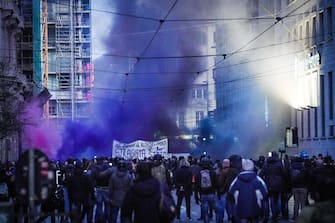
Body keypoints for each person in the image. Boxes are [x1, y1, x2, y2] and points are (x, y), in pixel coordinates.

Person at [229, 159, 268, 223]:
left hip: (241, 207)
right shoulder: (257, 180)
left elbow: (230, 193)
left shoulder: (237, 180)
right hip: (255, 207)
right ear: (252, 167)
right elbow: (265, 194)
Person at [259, 151, 284, 222]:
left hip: (268, 183)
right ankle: (276, 215)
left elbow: (261, 174)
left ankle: (268, 216)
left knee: (269, 200)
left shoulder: (266, 163)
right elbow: (283, 173)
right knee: (278, 200)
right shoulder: (279, 163)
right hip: (278, 184)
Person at [194, 156, 219, 223]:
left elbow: (196, 186)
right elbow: (216, 183)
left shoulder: (198, 174)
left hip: (203, 194)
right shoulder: (213, 172)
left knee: (205, 211)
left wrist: (196, 196)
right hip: (212, 193)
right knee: (216, 209)